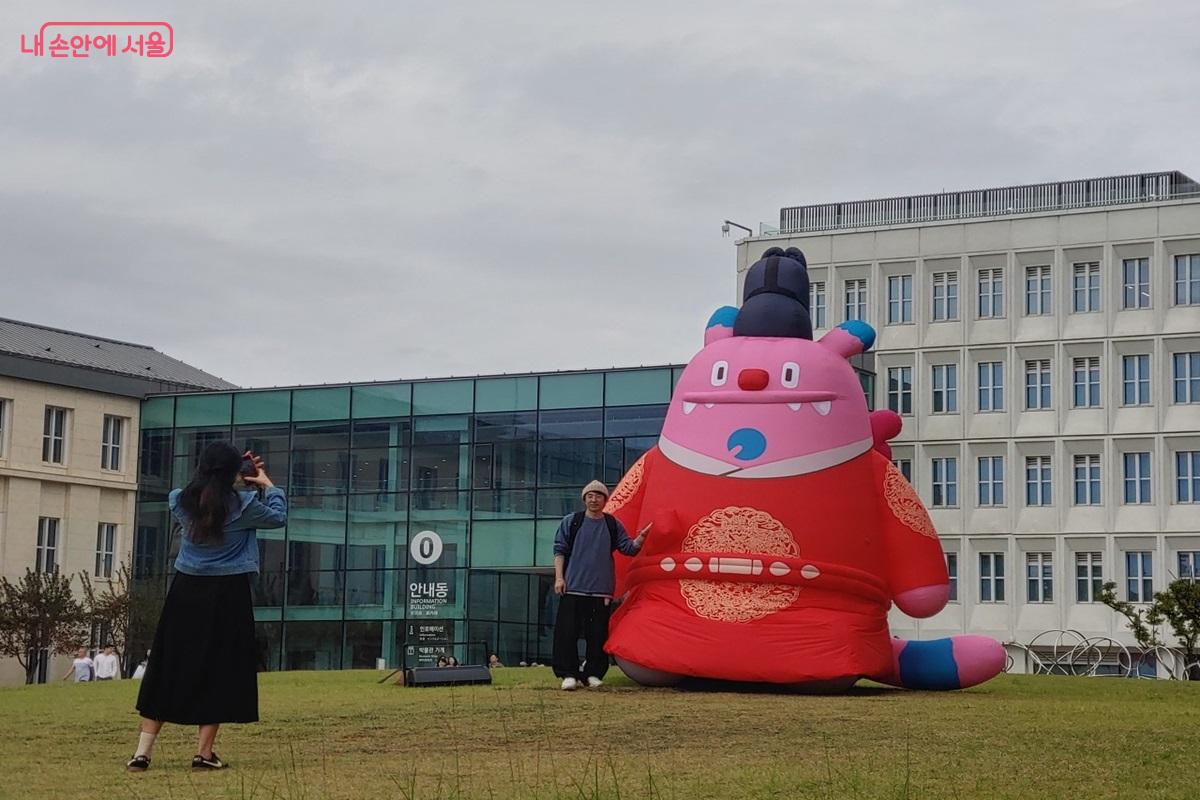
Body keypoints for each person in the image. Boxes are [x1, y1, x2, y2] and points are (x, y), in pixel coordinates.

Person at [126, 443, 286, 773]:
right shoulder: (245, 506)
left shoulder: (179, 501)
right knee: (219, 669)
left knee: (168, 665)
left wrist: (232, 477)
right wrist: (265, 483)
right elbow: (278, 517)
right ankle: (204, 753)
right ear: (233, 473)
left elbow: (204, 497)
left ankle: (142, 753)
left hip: (185, 589)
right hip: (229, 592)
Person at [552, 480, 649, 691]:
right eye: (590, 496)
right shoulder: (572, 521)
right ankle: (569, 674)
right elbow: (559, 550)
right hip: (573, 587)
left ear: (605, 500)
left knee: (597, 635)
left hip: (601, 590)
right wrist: (559, 578)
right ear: (584, 499)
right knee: (567, 633)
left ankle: (593, 674)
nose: (594, 500)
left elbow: (628, 549)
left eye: (598, 496)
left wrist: (641, 539)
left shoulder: (612, 524)